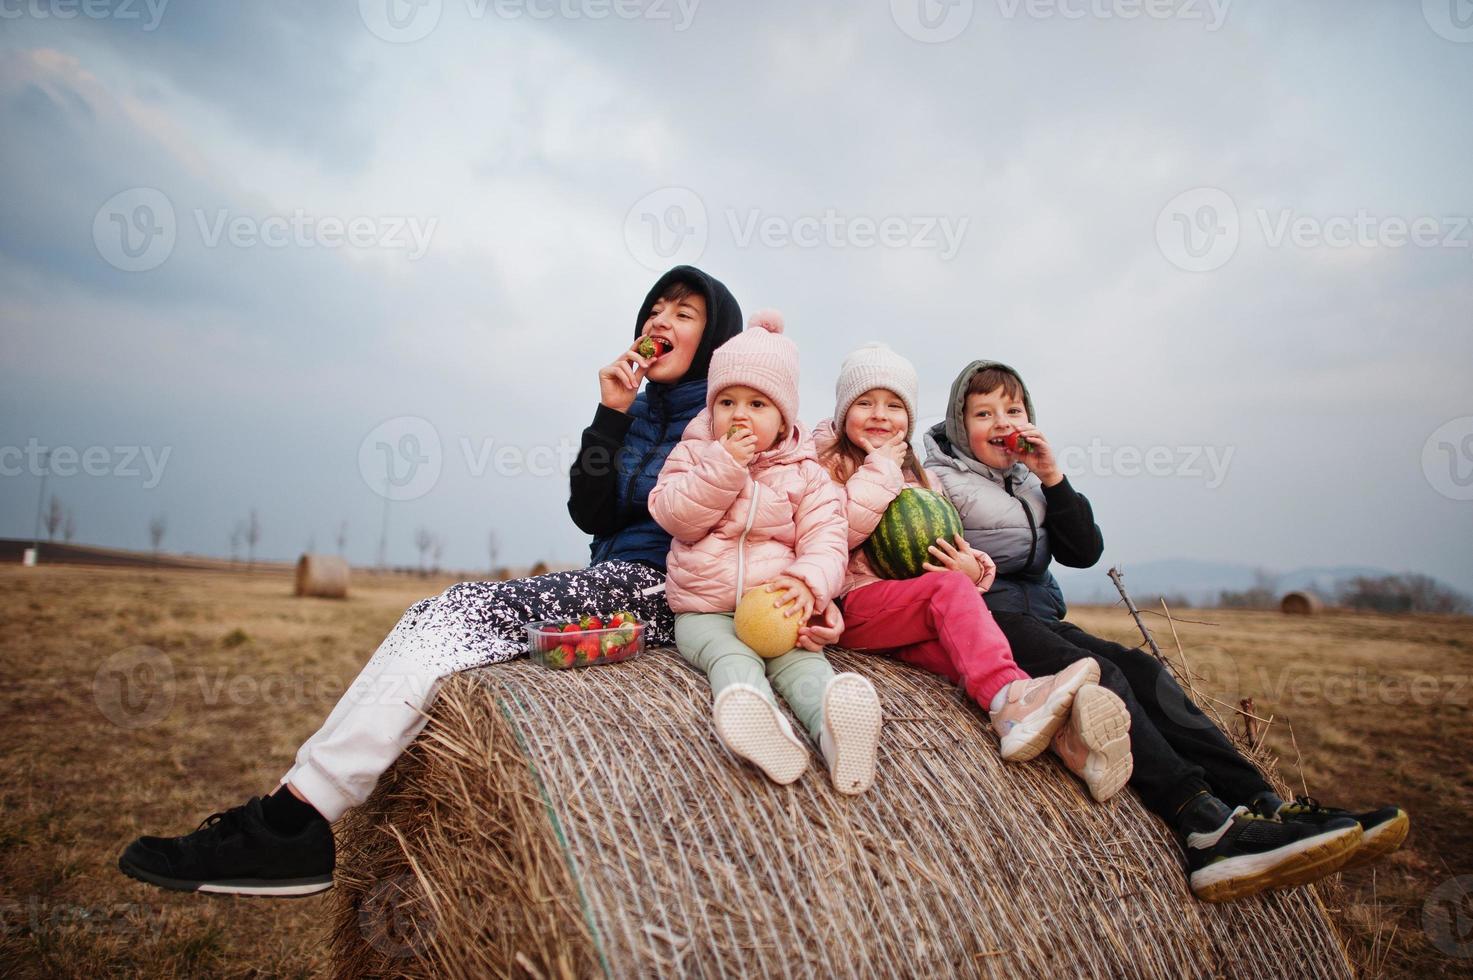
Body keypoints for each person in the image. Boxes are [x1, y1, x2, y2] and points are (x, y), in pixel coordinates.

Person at [117, 265, 745, 896]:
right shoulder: (634, 416)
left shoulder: (730, 424)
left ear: (715, 344)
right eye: (654, 309)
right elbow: (591, 511)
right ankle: (290, 815)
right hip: (608, 578)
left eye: (683, 313)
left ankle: (291, 822)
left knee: (457, 617)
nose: (659, 320)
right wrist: (609, 412)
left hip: (661, 592)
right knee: (437, 614)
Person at [923, 359, 1410, 902]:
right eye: (983, 411)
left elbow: (1084, 553)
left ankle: (1265, 802)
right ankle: (1202, 824)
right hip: (987, 622)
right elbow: (921, 558)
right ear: (959, 423)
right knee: (1101, 677)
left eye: (1012, 408)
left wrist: (1053, 478)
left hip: (1041, 616)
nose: (1001, 421)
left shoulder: (1027, 481)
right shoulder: (936, 480)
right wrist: (968, 573)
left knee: (1144, 669)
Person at [813, 344, 1133, 792]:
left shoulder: (925, 478)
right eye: (865, 403)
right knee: (948, 596)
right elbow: (836, 534)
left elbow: (951, 542)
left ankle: (1068, 744)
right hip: (852, 605)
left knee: (966, 658)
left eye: (894, 405)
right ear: (844, 411)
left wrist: (975, 569)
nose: (880, 415)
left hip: (901, 614)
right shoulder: (826, 465)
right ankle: (1010, 701)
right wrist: (881, 469)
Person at [649, 311, 883, 795]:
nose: (739, 414)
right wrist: (723, 467)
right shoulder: (695, 455)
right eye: (727, 401)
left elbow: (827, 537)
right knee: (730, 656)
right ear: (711, 409)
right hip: (704, 609)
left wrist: (808, 585)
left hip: (775, 605)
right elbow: (674, 514)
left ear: (783, 419)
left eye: (757, 403)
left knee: (803, 664)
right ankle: (757, 723)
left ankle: (835, 732)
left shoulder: (807, 473)